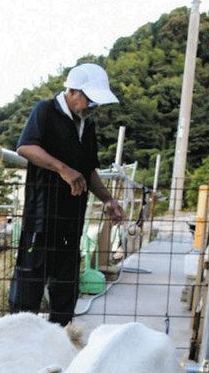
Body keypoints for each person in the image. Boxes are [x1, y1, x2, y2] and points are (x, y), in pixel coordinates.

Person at [9, 62, 125, 326]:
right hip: (41, 216)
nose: (93, 107)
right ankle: (18, 339)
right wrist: (62, 169)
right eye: (90, 100)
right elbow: (26, 147)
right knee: (29, 288)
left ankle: (59, 342)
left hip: (72, 220)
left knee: (66, 290)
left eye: (96, 103)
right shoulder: (45, 111)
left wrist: (107, 198)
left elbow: (89, 170)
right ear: (73, 91)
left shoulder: (88, 124)